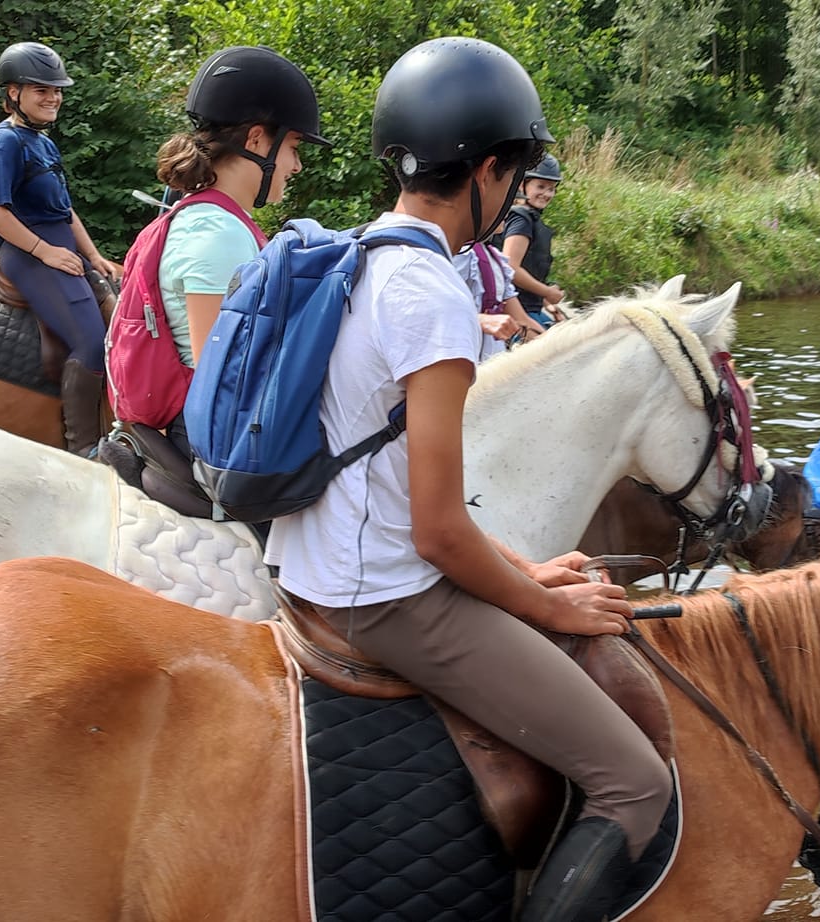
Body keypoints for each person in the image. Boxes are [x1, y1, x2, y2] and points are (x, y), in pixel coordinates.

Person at [266, 37, 670, 922]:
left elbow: (396, 488)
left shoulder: (357, 258)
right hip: (384, 597)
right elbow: (437, 533)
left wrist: (527, 570)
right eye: (517, 169)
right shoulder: (433, 295)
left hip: (313, 561)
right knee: (637, 784)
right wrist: (553, 607)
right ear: (488, 170)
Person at [153, 45, 328, 451]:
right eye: (294, 148)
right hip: (216, 441)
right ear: (256, 139)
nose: (297, 165)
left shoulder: (215, 218)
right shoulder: (216, 231)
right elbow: (220, 375)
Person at [0, 41, 123, 453]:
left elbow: (64, 209)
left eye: (56, 90)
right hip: (30, 255)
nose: (53, 97)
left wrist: (94, 256)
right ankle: (84, 447)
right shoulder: (7, 141)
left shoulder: (43, 141)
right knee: (92, 342)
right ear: (13, 93)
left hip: (63, 251)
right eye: (41, 89)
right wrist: (45, 251)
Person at [493, 153, 566, 328]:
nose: (547, 194)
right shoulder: (522, 218)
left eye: (551, 188)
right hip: (517, 311)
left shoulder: (530, 219)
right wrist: (547, 291)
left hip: (531, 307)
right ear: (522, 185)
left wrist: (547, 303)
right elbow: (511, 267)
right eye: (540, 186)